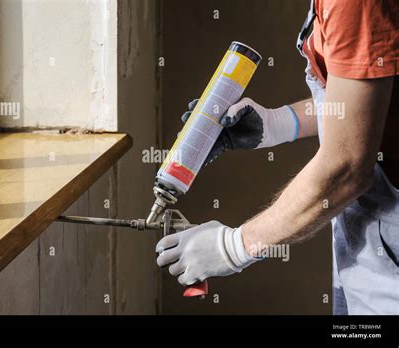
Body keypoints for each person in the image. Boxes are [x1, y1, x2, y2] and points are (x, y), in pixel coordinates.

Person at [155, 0, 399, 315]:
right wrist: (278, 123)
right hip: (366, 241)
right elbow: (365, 100)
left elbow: (345, 170)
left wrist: (233, 247)